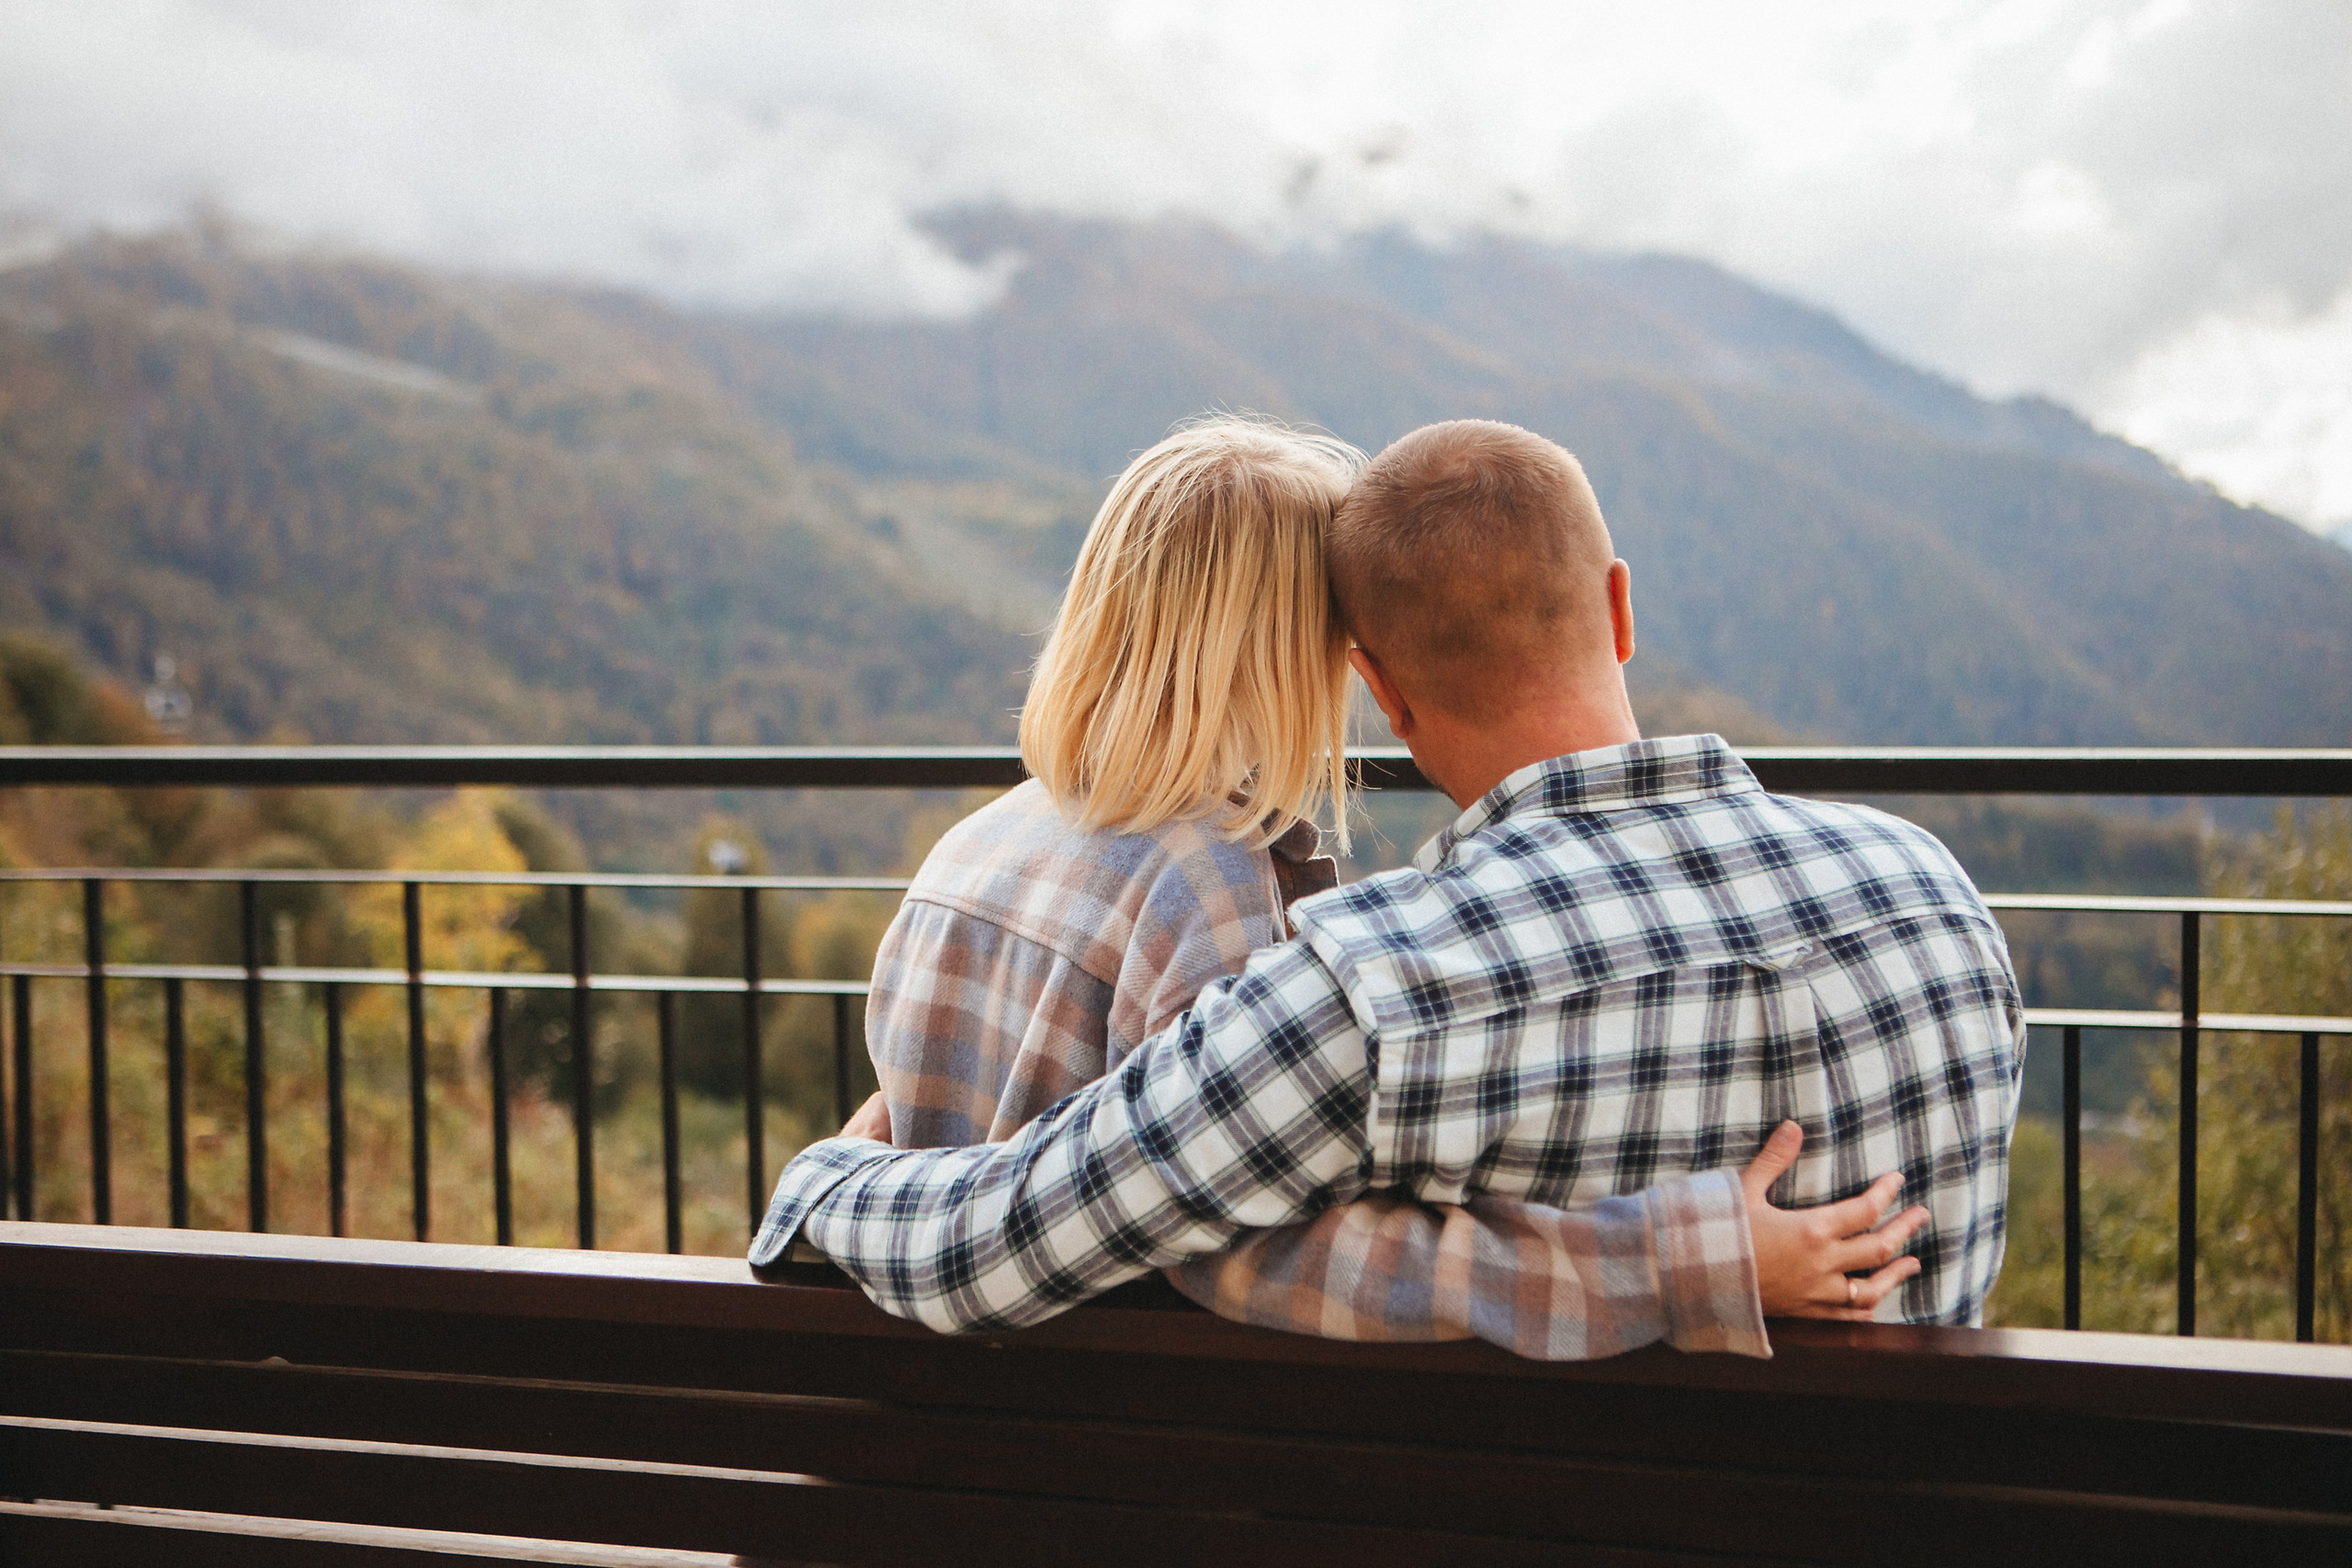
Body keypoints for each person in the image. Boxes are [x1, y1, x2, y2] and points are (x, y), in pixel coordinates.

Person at [757, 417, 2002, 1350]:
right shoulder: (1936, 896)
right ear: (1620, 610)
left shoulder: (1369, 994)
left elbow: (1071, 1248)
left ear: (1384, 689)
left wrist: (828, 1182)